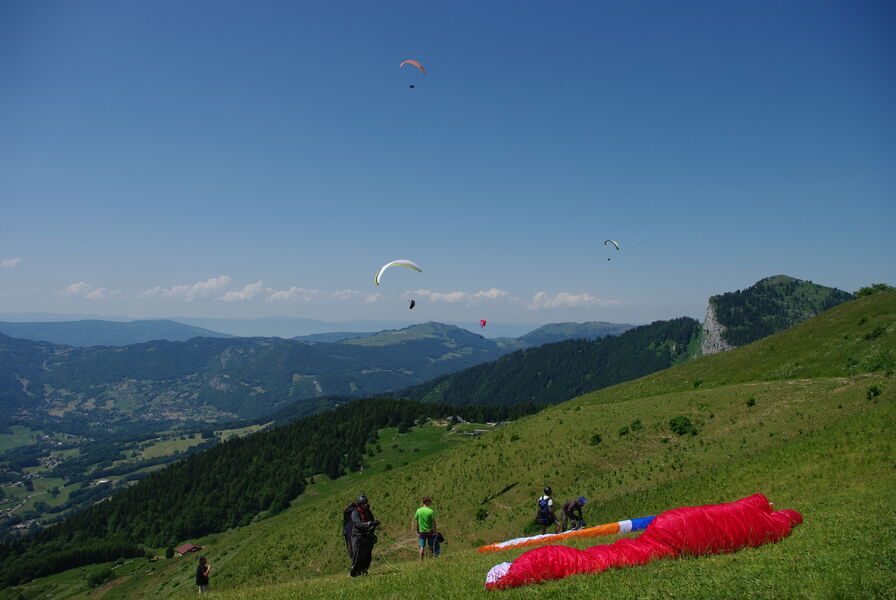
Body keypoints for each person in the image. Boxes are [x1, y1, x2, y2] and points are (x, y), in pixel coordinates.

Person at [350, 495, 380, 577]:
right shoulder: (355, 513)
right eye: (364, 503)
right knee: (359, 554)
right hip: (358, 536)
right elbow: (359, 524)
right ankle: (355, 570)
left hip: (368, 535)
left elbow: (372, 521)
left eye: (366, 503)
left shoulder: (368, 512)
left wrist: (374, 524)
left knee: (368, 554)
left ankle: (364, 569)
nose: (366, 505)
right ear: (360, 504)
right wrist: (369, 523)